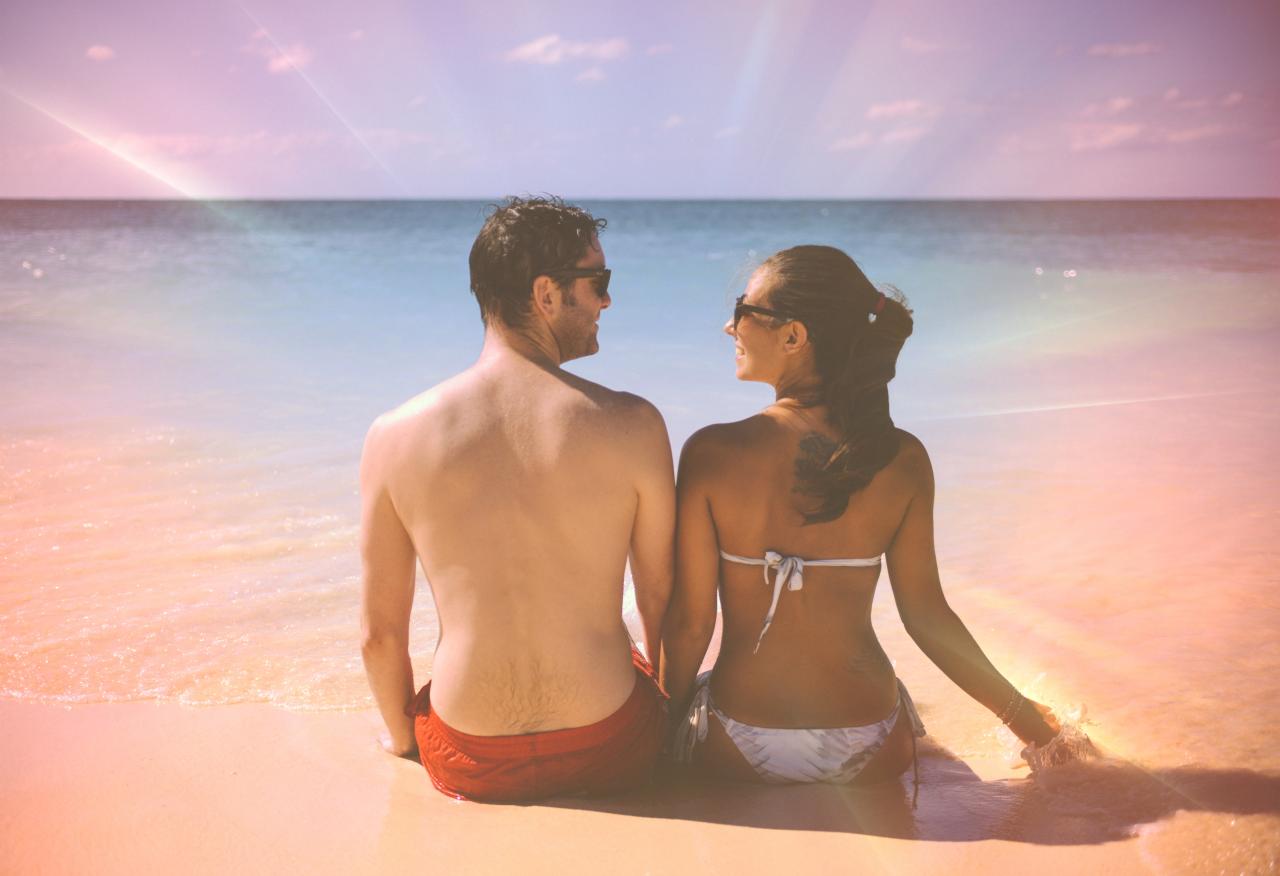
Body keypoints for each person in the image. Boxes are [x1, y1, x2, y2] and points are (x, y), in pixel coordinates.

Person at [661, 245, 1060, 795]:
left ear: (794, 336)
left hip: (738, 740)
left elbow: (689, 625)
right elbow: (927, 618)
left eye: (744, 309)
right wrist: (1031, 725)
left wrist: (656, 744)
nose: (729, 325)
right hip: (871, 743)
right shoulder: (901, 458)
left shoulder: (712, 452)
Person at [359, 196, 674, 802]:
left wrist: (404, 741)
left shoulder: (392, 435)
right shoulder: (632, 423)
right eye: (598, 282)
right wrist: (668, 719)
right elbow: (661, 600)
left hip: (468, 754)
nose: (607, 300)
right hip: (608, 743)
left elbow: (378, 632)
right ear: (547, 294)